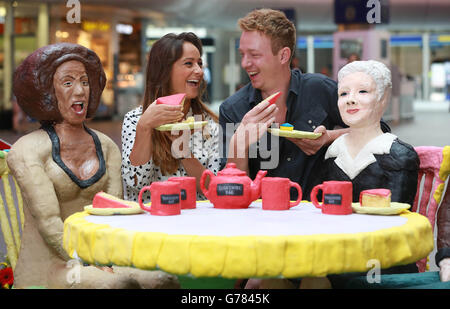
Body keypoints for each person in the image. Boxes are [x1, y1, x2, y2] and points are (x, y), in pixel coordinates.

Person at [7, 43, 178, 288]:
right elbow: (49, 222)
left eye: (85, 82)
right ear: (46, 91)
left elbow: (115, 212)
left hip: (102, 258)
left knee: (163, 280)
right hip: (51, 266)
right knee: (116, 286)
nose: (80, 91)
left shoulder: (106, 145)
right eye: (68, 83)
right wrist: (87, 260)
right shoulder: (27, 149)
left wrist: (110, 256)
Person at [219, 8, 390, 202]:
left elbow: (380, 131)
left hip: (320, 214)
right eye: (242, 54)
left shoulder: (320, 89)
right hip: (261, 220)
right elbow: (230, 190)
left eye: (254, 55)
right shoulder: (233, 109)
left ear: (283, 56)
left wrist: (330, 137)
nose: (245, 63)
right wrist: (238, 145)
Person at [121, 32, 220, 203]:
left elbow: (213, 189)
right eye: (189, 64)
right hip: (152, 222)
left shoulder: (207, 123)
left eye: (200, 63)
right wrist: (144, 127)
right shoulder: (136, 119)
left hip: (197, 221)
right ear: (164, 71)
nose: (199, 71)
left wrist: (183, 151)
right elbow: (135, 184)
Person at [319, 60, 419, 207]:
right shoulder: (333, 153)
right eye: (344, 93)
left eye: (363, 91)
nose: (350, 100)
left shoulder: (399, 155)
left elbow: (397, 213)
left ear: (383, 99)